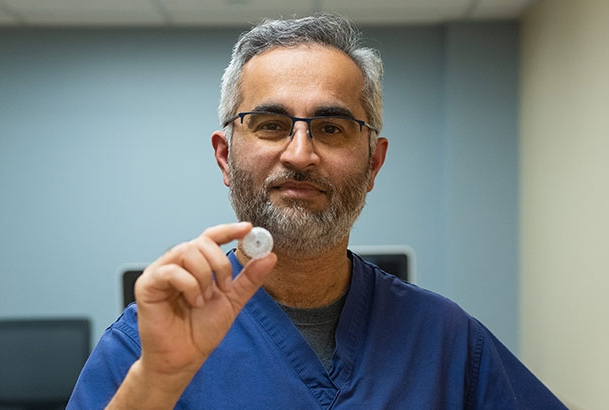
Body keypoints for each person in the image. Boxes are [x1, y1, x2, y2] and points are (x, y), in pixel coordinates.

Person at [68, 13, 567, 410]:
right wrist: (156, 385)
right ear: (225, 156)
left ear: (374, 161)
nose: (300, 154)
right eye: (269, 124)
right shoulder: (142, 347)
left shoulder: (446, 341)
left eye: (331, 128)